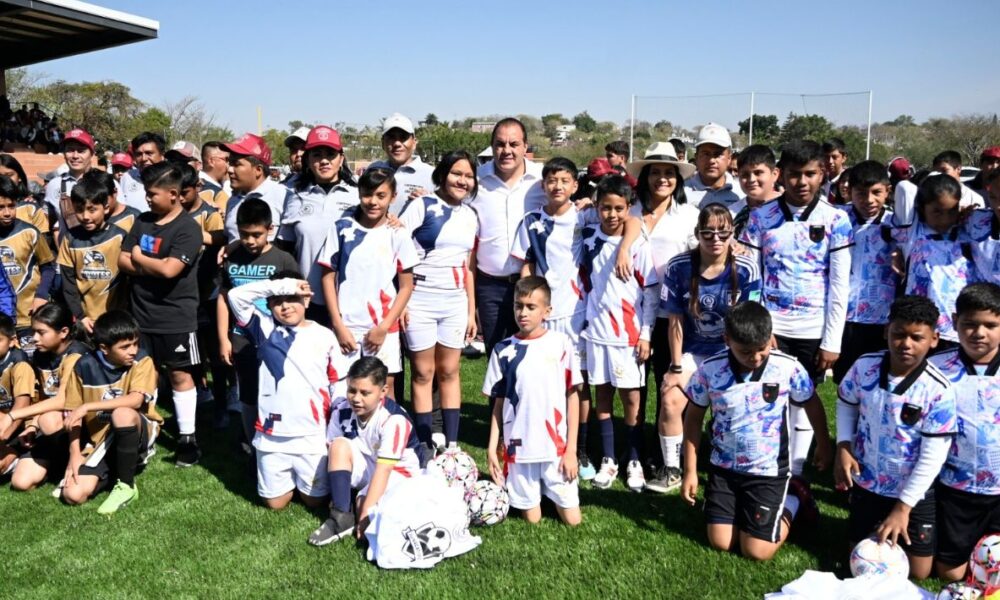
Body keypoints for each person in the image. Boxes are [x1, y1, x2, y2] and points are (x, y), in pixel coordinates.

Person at [738, 139, 852, 485]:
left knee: (803, 398)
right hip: (773, 328)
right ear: (781, 176)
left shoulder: (837, 219)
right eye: (794, 174)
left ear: (823, 174)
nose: (802, 182)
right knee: (767, 395)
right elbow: (751, 276)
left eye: (810, 174)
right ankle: (765, 463)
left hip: (813, 330)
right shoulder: (760, 218)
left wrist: (831, 340)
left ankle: (796, 473)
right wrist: (760, 329)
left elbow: (839, 285)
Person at [681, 301, 831, 561]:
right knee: (720, 542)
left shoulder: (788, 367)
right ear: (727, 339)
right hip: (724, 469)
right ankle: (736, 508)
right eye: (745, 352)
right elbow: (693, 421)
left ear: (770, 338)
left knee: (756, 551)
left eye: (762, 350)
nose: (755, 358)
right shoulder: (709, 371)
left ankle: (794, 499)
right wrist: (691, 471)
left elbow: (811, 402)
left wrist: (824, 443)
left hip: (768, 472)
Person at [836, 295, 956, 580]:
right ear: (886, 332)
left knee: (920, 572)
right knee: (859, 558)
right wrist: (843, 444)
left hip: (913, 492)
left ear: (935, 339)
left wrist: (903, 507)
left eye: (917, 337)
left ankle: (901, 520)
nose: (906, 344)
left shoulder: (939, 389)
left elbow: (933, 455)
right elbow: (845, 401)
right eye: (898, 334)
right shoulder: (864, 366)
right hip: (868, 482)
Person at [652, 205, 761, 493]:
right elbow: (673, 320)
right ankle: (672, 468)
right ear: (697, 234)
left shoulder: (746, 267)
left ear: (732, 234)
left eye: (723, 233)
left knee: (734, 405)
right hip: (693, 351)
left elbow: (749, 320)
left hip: (731, 352)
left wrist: (741, 362)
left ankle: (728, 463)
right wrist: (675, 367)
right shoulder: (679, 267)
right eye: (708, 232)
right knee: (670, 399)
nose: (715, 239)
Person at [226, 272, 347, 510]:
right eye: (278, 301)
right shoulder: (265, 328)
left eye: (292, 298)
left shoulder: (324, 335)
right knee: (275, 504)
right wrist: (282, 286)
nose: (285, 306)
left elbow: (338, 381)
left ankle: (303, 480)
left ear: (307, 300)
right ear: (269, 304)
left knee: (314, 501)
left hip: (311, 434)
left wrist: (334, 425)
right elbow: (235, 296)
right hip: (272, 436)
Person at [118, 161, 204, 467]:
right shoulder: (142, 221)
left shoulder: (189, 229)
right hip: (141, 315)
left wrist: (141, 259)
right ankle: (145, 433)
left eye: (152, 194)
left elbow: (171, 270)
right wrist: (146, 263)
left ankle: (188, 439)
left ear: (173, 194)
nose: (147, 199)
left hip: (176, 318)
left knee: (180, 374)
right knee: (144, 375)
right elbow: (122, 260)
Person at [622, 141, 698, 474]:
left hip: (674, 316)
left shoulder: (690, 215)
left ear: (678, 179)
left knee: (668, 383)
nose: (662, 179)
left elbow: (705, 253)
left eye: (669, 173)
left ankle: (672, 452)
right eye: (656, 173)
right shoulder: (630, 210)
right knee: (634, 385)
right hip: (630, 311)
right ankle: (635, 450)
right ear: (645, 176)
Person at [579, 175, 658, 492]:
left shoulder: (637, 242)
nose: (611, 215)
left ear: (628, 208)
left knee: (632, 400)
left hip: (628, 336)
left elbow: (650, 291)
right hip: (596, 333)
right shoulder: (588, 236)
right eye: (605, 208)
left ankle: (634, 459)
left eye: (618, 209)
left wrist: (646, 333)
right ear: (597, 207)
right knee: (602, 397)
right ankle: (609, 459)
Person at [484, 276, 582, 525]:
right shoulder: (503, 350)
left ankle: (551, 492)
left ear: (547, 311)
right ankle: (532, 496)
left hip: (556, 448)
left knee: (573, 520)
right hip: (520, 449)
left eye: (531, 307)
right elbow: (498, 404)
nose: (523, 313)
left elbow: (573, 397)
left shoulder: (561, 344)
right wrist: (492, 448)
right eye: (519, 306)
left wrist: (571, 450)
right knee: (532, 520)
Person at [398, 150, 478, 451]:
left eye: (469, 176)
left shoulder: (471, 215)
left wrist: (471, 312)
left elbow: (468, 266)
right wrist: (403, 302)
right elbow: (399, 252)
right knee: (422, 372)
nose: (463, 180)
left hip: (455, 302)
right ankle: (422, 441)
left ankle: (452, 444)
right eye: (457, 173)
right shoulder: (422, 205)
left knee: (449, 371)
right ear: (443, 174)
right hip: (420, 299)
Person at [318, 167, 417, 394]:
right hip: (347, 326)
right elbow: (327, 276)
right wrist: (338, 324)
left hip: (383, 326)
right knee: (343, 387)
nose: (372, 202)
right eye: (366, 194)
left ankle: (383, 430)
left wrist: (384, 327)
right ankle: (343, 430)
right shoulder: (341, 228)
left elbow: (406, 286)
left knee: (384, 387)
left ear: (393, 197)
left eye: (381, 196)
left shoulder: (398, 234)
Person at [308, 356, 422, 546]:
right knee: (338, 445)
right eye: (352, 390)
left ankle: (358, 504)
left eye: (365, 393)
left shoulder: (394, 419)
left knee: (367, 512)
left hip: (399, 472)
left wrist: (366, 512)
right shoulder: (341, 410)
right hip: (369, 464)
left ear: (383, 391)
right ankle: (341, 516)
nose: (356, 398)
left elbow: (384, 469)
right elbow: (335, 453)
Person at [928, 283, 1000, 581]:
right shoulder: (935, 369)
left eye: (990, 325)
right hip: (955, 489)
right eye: (969, 324)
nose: (979, 333)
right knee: (951, 573)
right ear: (955, 322)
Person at [58, 311, 161, 514]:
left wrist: (87, 407)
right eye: (125, 347)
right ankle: (112, 471)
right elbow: (72, 415)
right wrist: (74, 455)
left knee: (122, 413)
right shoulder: (83, 365)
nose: (133, 350)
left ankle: (126, 486)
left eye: (135, 343)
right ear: (104, 348)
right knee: (73, 495)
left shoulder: (143, 360)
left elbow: (136, 400)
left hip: (137, 430)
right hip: (99, 441)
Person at [218, 198, 299, 449]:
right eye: (244, 234)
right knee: (249, 391)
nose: (250, 241)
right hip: (241, 336)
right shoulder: (231, 259)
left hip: (276, 337)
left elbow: (295, 299)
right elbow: (223, 298)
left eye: (257, 234)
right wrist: (223, 339)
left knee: (279, 388)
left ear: (270, 230)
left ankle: (279, 434)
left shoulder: (283, 259)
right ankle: (251, 441)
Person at [469, 118, 547, 355]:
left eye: (514, 144)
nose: (507, 151)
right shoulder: (475, 180)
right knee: (498, 358)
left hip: (532, 283)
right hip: (490, 285)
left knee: (534, 357)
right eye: (500, 144)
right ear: (492, 146)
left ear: (525, 147)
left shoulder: (543, 180)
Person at [2, 303, 88, 491]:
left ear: (64, 332)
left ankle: (77, 455)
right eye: (34, 332)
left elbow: (62, 400)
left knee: (49, 419)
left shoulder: (77, 354)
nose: (34, 338)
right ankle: (55, 463)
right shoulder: (42, 355)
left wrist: (14, 415)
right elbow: (41, 397)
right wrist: (31, 425)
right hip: (49, 425)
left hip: (80, 425)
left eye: (41, 332)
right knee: (20, 483)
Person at [277, 126, 358, 326]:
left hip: (351, 299)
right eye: (317, 154)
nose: (324, 161)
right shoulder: (294, 196)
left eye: (330, 154)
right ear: (308, 159)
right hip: (308, 299)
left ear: (341, 158)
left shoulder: (358, 196)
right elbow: (284, 248)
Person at [891, 174, 981, 348]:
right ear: (922, 209)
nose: (945, 219)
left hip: (956, 330)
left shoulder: (967, 232)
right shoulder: (912, 231)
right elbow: (904, 187)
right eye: (937, 211)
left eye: (952, 211)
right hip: (920, 328)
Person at [832, 161, 898, 384]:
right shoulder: (836, 219)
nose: (869, 200)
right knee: (845, 381)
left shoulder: (897, 224)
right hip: (844, 318)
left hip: (881, 321)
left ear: (888, 191)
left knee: (877, 382)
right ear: (849, 191)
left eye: (876, 192)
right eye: (861, 193)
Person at [179, 165, 228, 426]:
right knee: (192, 353)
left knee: (216, 356)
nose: (180, 198)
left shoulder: (210, 215)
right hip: (182, 299)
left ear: (198, 187)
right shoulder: (170, 214)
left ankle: (222, 403)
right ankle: (201, 392)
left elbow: (220, 238)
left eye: (184, 192)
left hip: (208, 295)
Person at [57, 170, 129, 334]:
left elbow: (130, 280)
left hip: (116, 318)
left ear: (105, 208)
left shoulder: (120, 236)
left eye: (92, 209)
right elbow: (68, 284)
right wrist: (80, 316)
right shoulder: (70, 239)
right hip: (86, 320)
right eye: (79, 210)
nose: (85, 216)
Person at [0, 176, 55, 348]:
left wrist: (41, 295)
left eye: (11, 206)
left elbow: (48, 266)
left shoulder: (30, 232)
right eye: (1, 207)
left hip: (27, 315)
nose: (7, 212)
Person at [222, 133, 285, 244]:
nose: (230, 170)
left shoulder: (283, 197)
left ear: (258, 170)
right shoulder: (233, 200)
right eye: (230, 163)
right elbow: (227, 238)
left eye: (236, 164)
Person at [368, 113, 434, 216]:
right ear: (382, 143)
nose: (397, 144)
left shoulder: (432, 175)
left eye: (403, 137)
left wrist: (431, 203)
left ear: (414, 142)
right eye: (391, 137)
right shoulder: (373, 170)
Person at [0, 313, 35, 476]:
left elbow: (22, 405)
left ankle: (14, 455)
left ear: (13, 340)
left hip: (18, 425)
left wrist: (4, 436)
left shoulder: (19, 363)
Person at [43, 128, 96, 237]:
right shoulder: (53, 185)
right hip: (67, 252)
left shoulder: (105, 182)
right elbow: (48, 222)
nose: (75, 156)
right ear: (64, 153)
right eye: (70, 150)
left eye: (81, 151)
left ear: (92, 154)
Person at [684, 123, 745, 211]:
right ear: (696, 157)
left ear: (729, 158)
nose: (712, 160)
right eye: (706, 154)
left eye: (718, 154)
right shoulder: (681, 192)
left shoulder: (741, 193)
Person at [732, 145, 781, 236]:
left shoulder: (791, 209)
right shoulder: (731, 214)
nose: (751, 179)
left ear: (774, 174)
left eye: (758, 173)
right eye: (745, 174)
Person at [0, 153, 49, 241]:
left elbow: (42, 241)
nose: (5, 180)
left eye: (9, 175)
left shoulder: (31, 206)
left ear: (19, 177)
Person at [118, 132, 167, 213]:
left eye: (149, 153)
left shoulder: (173, 177)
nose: (144, 158)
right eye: (139, 154)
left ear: (162, 155)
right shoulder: (127, 177)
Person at [199, 141, 230, 214]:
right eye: (226, 160)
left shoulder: (226, 186)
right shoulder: (198, 186)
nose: (229, 165)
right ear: (211, 161)